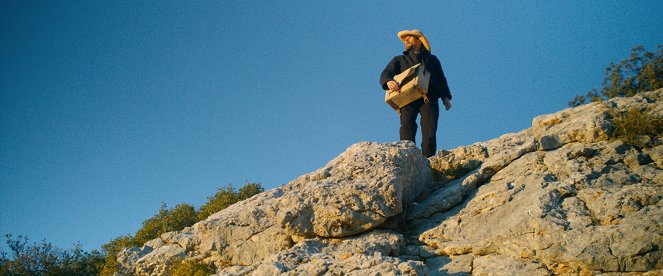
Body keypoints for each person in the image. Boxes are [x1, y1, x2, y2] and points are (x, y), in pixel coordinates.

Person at [380, 29, 452, 157]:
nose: (406, 40)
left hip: (429, 97)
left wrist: (445, 97)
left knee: (430, 129)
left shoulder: (432, 59)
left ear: (419, 40)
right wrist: (388, 81)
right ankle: (409, 157)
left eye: (410, 37)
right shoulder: (399, 59)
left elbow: (441, 79)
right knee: (407, 126)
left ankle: (427, 158)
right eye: (405, 39)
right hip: (406, 99)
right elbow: (386, 73)